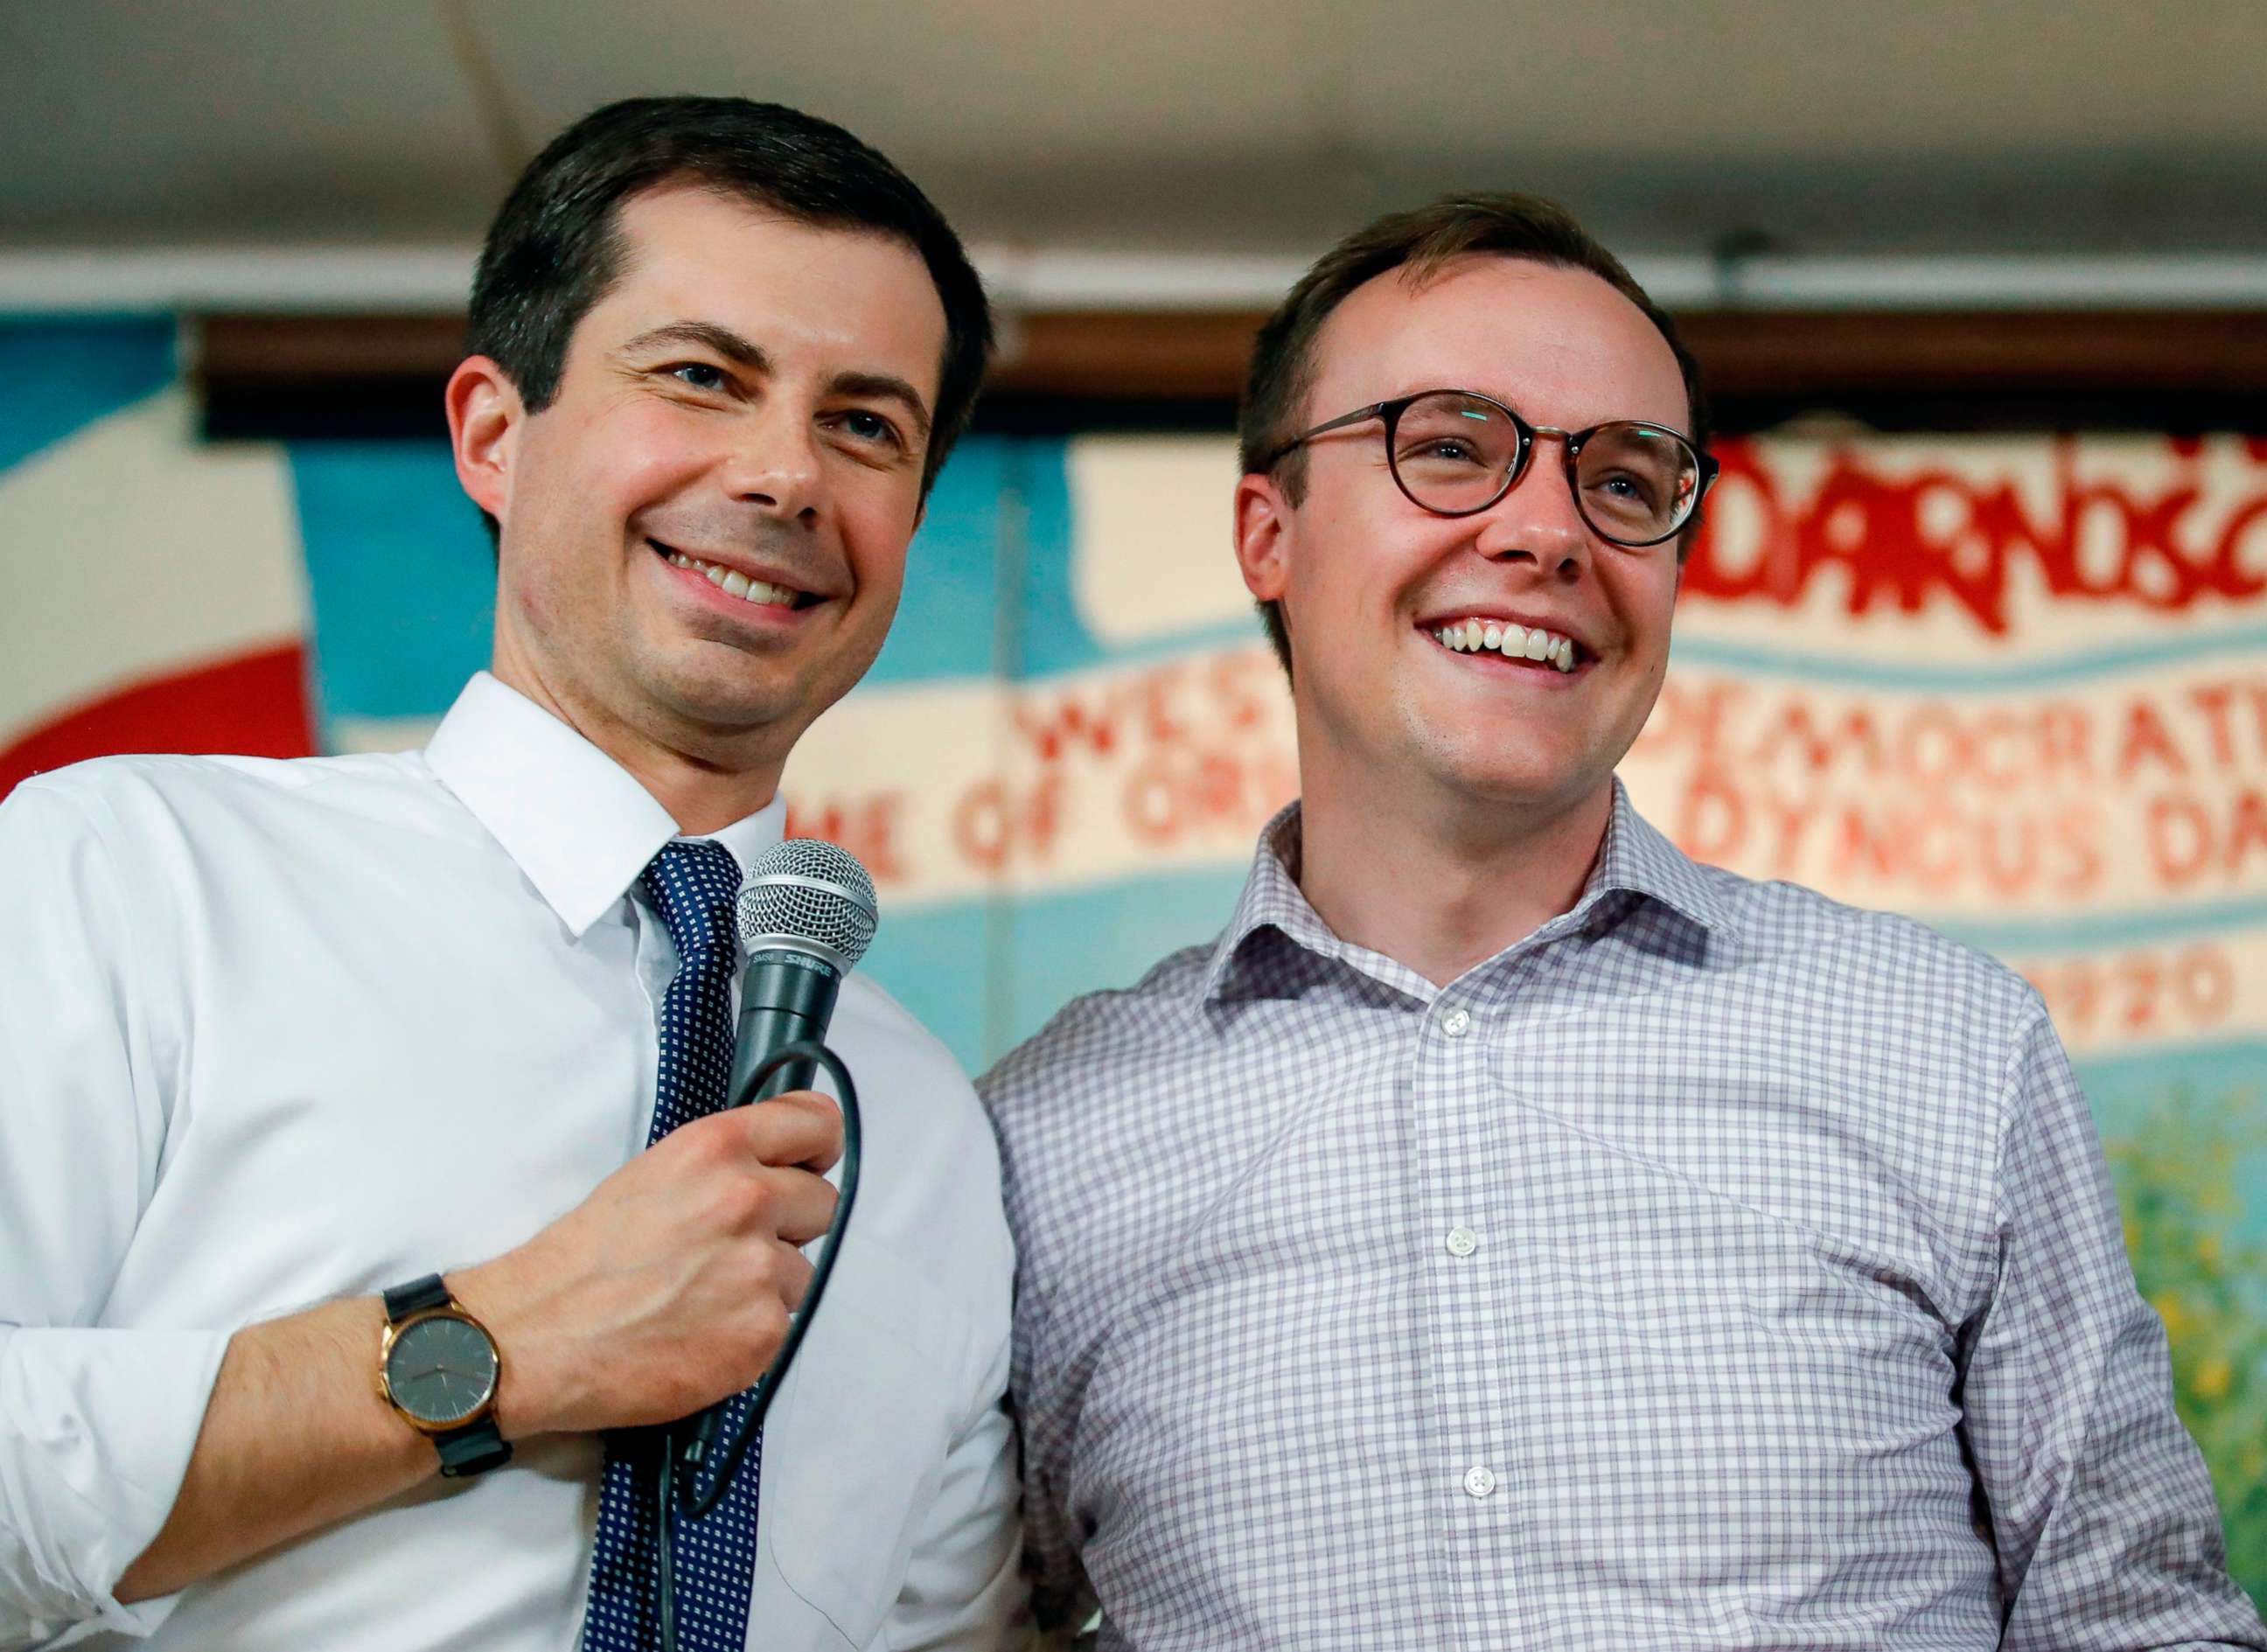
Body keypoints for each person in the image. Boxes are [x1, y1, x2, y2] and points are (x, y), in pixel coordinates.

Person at [981, 193, 2267, 1650]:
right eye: (1450, 448)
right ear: (1268, 534)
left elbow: (2143, 1621)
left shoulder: (1949, 1049)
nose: (1546, 530)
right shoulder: (1038, 1147)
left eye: (1626, 478)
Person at [0, 97, 1021, 1650]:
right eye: (701, 375)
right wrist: (492, 1344)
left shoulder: (931, 1133)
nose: (785, 475)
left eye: (866, 424)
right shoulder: (133, 878)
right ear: (495, 430)